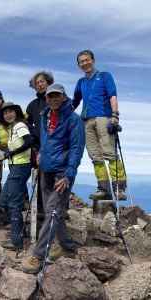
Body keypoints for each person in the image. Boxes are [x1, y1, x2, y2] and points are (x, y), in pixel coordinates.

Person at [22, 84, 85, 274]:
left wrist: (68, 174)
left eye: (57, 96)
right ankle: (66, 245)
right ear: (47, 98)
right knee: (54, 212)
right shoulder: (44, 116)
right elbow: (46, 141)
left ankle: (38, 255)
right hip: (45, 170)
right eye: (50, 96)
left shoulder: (73, 119)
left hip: (61, 173)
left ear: (64, 97)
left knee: (51, 213)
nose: (53, 99)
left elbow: (76, 148)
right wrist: (41, 153)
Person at [73, 49, 126, 200]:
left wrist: (115, 115)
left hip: (104, 117)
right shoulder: (81, 82)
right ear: (79, 65)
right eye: (81, 61)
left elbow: (112, 95)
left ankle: (119, 188)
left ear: (93, 60)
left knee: (110, 153)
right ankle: (103, 188)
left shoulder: (104, 76)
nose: (84, 63)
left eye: (86, 60)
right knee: (95, 156)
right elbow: (75, 102)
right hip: (86, 121)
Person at [0, 102, 32, 253]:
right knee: (5, 200)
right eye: (5, 113)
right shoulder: (12, 128)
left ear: (16, 113)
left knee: (11, 202)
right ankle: (19, 232)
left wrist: (12, 153)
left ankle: (16, 241)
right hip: (15, 167)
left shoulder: (19, 126)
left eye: (11, 112)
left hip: (21, 166)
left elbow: (30, 142)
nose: (8, 115)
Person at [26, 71, 55, 226]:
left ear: (49, 82)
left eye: (42, 81)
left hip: (55, 146)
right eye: (37, 83)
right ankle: (41, 212)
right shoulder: (32, 106)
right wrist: (33, 135)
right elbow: (27, 123)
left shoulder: (57, 100)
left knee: (56, 178)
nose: (40, 84)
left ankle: (58, 211)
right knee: (40, 179)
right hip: (38, 146)